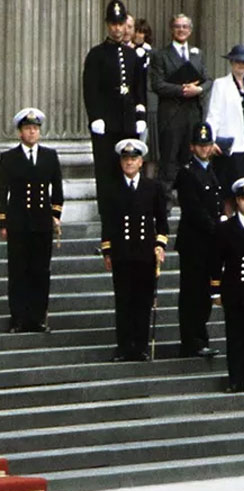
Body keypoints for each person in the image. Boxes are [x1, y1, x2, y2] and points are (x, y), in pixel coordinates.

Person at [0, 107, 64, 333]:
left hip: (41, 221)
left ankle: (38, 317)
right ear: (20, 133)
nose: (32, 132)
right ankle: (18, 318)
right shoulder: (8, 158)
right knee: (18, 271)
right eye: (27, 128)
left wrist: (55, 215)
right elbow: (2, 191)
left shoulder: (49, 156)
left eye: (35, 128)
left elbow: (57, 189)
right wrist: (2, 222)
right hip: (18, 221)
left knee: (40, 271)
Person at [101, 139, 168, 362]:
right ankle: (123, 346)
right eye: (126, 159)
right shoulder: (112, 188)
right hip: (122, 253)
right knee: (124, 301)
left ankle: (140, 346)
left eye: (133, 159)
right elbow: (108, 222)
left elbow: (162, 221)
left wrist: (160, 245)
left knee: (143, 301)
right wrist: (107, 250)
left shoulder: (153, 187)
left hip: (145, 253)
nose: (129, 162)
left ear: (141, 162)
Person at [83, 0, 147, 219]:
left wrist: (140, 114)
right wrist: (96, 117)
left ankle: (127, 215)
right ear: (107, 25)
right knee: (106, 171)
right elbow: (91, 89)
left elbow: (139, 89)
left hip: (128, 122)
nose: (117, 29)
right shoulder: (96, 54)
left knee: (128, 170)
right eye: (113, 24)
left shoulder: (133, 56)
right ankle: (108, 220)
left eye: (120, 24)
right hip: (106, 124)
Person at [174, 122, 224, 358]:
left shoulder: (211, 170)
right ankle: (191, 340)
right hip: (194, 241)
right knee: (192, 292)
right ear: (192, 147)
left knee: (205, 292)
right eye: (200, 145)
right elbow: (193, 209)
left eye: (207, 144)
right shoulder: (187, 172)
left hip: (209, 242)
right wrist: (216, 228)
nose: (204, 149)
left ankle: (200, 336)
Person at [150, 14, 211, 203]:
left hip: (193, 115)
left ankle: (189, 204)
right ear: (171, 29)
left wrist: (198, 89)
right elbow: (157, 84)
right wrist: (183, 90)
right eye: (177, 26)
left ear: (190, 31)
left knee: (189, 162)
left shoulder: (197, 54)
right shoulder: (161, 55)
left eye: (185, 27)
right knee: (168, 162)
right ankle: (164, 209)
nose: (181, 30)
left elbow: (208, 80)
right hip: (171, 115)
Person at [212, 178, 244, 393]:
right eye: (243, 199)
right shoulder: (225, 228)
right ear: (237, 201)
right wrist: (215, 290)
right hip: (235, 290)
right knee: (235, 338)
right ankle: (236, 379)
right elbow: (215, 261)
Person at [206, 44, 244, 207]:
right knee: (228, 194)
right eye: (237, 62)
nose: (240, 65)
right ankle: (229, 228)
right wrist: (211, 140)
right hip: (229, 148)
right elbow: (213, 114)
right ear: (231, 63)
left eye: (243, 62)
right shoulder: (221, 85)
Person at [134, 19, 157, 174]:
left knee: (150, 146)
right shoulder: (129, 53)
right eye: (137, 31)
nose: (138, 35)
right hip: (134, 103)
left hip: (150, 105)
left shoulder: (153, 54)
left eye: (142, 32)